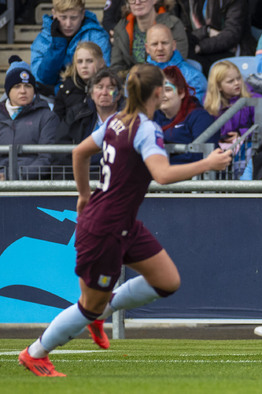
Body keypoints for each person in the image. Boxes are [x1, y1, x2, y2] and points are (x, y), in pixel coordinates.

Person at [17, 63, 232, 377]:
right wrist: (208, 162)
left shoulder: (117, 120)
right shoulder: (146, 128)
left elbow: (79, 153)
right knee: (87, 306)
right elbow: (162, 174)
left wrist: (83, 195)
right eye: (165, 87)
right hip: (105, 228)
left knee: (168, 281)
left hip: (123, 223)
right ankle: (35, 353)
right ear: (157, 92)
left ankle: (107, 306)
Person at [204, 60, 262, 178]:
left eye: (238, 78)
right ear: (218, 86)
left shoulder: (257, 100)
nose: (237, 83)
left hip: (248, 147)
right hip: (222, 147)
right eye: (230, 81)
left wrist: (241, 134)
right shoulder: (210, 105)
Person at [31, 0, 111, 97]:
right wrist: (58, 45)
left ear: (82, 14)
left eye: (73, 18)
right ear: (54, 14)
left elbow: (102, 74)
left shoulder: (97, 37)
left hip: (87, 96)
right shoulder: (43, 39)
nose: (68, 24)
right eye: (63, 17)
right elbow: (42, 80)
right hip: (49, 98)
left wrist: (60, 90)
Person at [53, 68, 125, 175]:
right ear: (91, 93)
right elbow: (61, 152)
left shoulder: (131, 118)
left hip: (119, 178)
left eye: (110, 88)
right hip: (82, 177)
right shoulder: (76, 115)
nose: (104, 93)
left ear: (118, 94)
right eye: (99, 87)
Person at [0, 56, 59, 180]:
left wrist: (11, 177)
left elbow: (45, 159)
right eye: (17, 86)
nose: (23, 91)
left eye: (28, 86)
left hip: (31, 185)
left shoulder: (47, 117)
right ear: (8, 91)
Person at [153, 66, 217, 164]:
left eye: (168, 89)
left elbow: (201, 155)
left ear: (181, 93)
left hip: (193, 177)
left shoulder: (200, 117)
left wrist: (160, 162)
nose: (162, 95)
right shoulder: (153, 117)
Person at [110, 0, 188, 73]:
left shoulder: (172, 24)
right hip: (132, 83)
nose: (137, 2)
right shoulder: (121, 28)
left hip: (166, 80)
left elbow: (178, 62)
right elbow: (116, 66)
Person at [181, 0, 257, 75]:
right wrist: (206, 31)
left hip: (232, 50)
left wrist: (201, 47)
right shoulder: (187, 3)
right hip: (201, 46)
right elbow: (184, 32)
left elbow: (231, 35)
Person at [145, 24, 207, 103]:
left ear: (174, 45)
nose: (160, 48)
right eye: (154, 44)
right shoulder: (137, 76)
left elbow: (195, 110)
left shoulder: (194, 77)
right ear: (147, 48)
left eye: (164, 43)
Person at [54, 42, 106, 121]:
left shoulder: (110, 86)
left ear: (101, 63)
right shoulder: (66, 89)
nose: (84, 66)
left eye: (89, 61)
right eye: (80, 61)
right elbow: (57, 119)